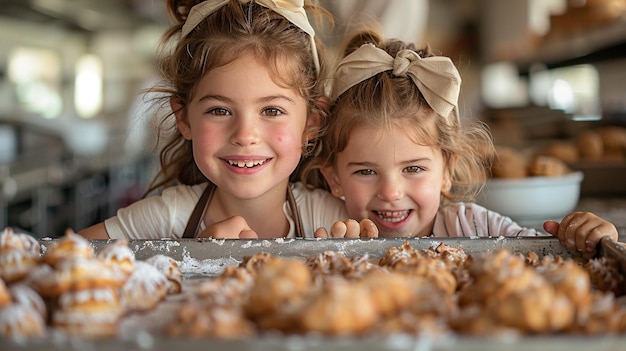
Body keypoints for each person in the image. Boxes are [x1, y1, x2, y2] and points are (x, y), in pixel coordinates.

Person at [302, 29, 618, 259]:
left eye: (413, 168)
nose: (391, 192)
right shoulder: (323, 227)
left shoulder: (473, 225)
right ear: (333, 177)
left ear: (447, 171)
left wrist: (589, 239)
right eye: (366, 172)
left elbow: (547, 258)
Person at [79, 0, 359, 240]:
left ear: (311, 122)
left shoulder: (334, 220)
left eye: (272, 111)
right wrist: (192, 261)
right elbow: (51, 260)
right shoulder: (166, 216)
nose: (245, 135)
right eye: (220, 111)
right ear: (184, 118)